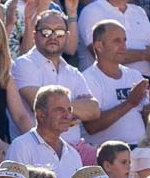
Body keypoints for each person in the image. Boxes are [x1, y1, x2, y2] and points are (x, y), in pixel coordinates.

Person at [12, 9, 101, 155]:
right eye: (46, 32)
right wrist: (74, 114)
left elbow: (94, 110)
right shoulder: (23, 64)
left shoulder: (73, 72)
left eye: (59, 33)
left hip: (76, 148)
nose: (53, 36)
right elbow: (40, 104)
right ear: (34, 35)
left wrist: (58, 110)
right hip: (38, 149)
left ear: (67, 37)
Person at [81, 19, 150, 149]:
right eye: (117, 41)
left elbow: (146, 118)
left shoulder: (134, 75)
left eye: (124, 40)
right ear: (99, 46)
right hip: (107, 155)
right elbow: (92, 127)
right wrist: (129, 103)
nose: (124, 46)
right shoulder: (86, 79)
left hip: (140, 149)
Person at [5, 84, 83, 178]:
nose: (67, 115)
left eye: (69, 109)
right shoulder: (21, 146)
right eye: (59, 110)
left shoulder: (74, 155)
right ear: (40, 114)